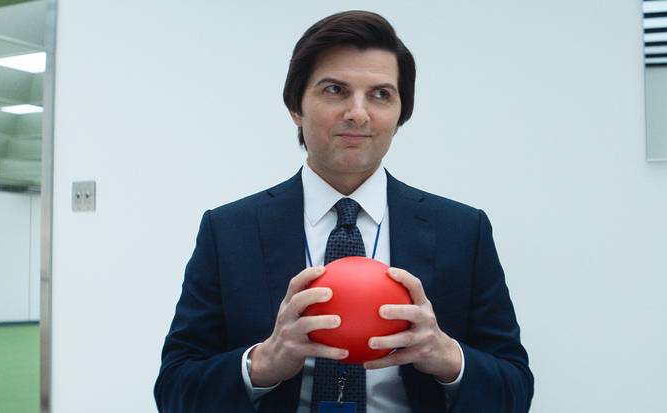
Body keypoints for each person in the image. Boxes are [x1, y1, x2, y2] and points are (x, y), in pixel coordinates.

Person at [154, 10, 533, 413]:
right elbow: (175, 391)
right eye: (335, 90)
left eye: (381, 94)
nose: (358, 113)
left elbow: (515, 390)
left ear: (401, 114)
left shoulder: (463, 230)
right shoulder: (228, 232)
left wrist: (448, 357)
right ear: (295, 107)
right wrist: (262, 363)